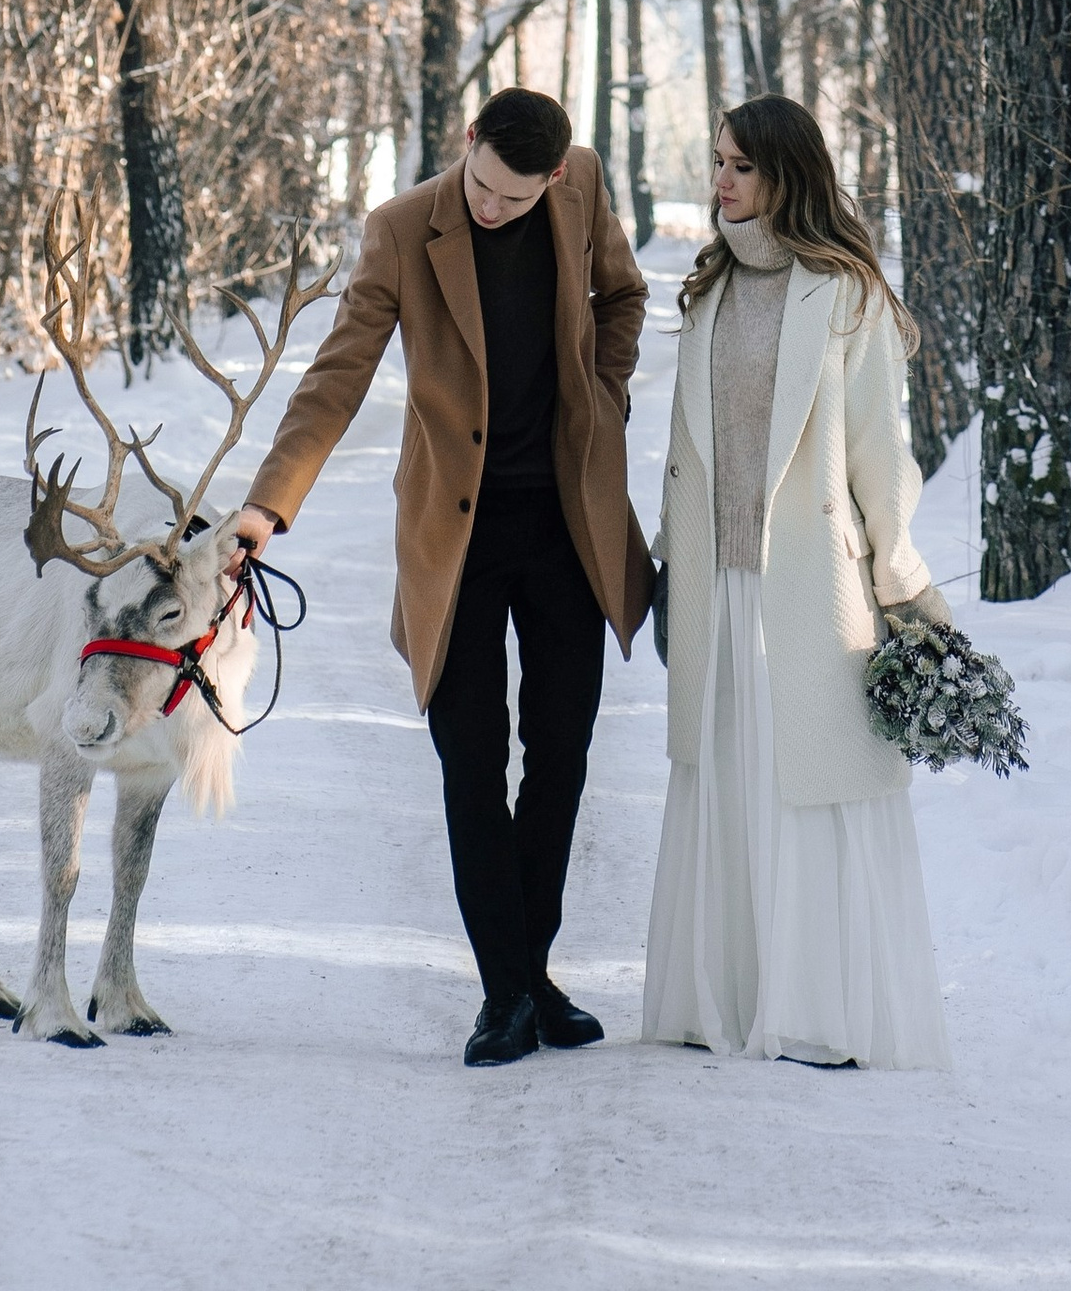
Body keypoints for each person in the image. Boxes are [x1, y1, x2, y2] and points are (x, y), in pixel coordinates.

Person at [234, 87, 653, 1067]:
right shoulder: (398, 231)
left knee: (561, 757)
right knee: (472, 764)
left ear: (555, 176)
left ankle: (527, 971)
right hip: (453, 540)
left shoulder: (582, 186)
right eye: (480, 187)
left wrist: (602, 396)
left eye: (514, 198)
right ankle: (507, 992)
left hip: (566, 529)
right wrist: (268, 503)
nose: (491, 209)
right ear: (465, 145)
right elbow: (336, 373)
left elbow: (622, 297)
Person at [642, 92, 955, 1073]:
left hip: (813, 590)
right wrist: (662, 569)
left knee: (804, 790)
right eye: (719, 163)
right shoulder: (707, 291)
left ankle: (817, 1010)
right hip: (714, 587)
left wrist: (905, 589)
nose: (721, 181)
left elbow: (877, 456)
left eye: (738, 165)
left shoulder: (845, 294)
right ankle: (720, 999)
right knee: (724, 782)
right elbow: (686, 457)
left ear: (785, 177)